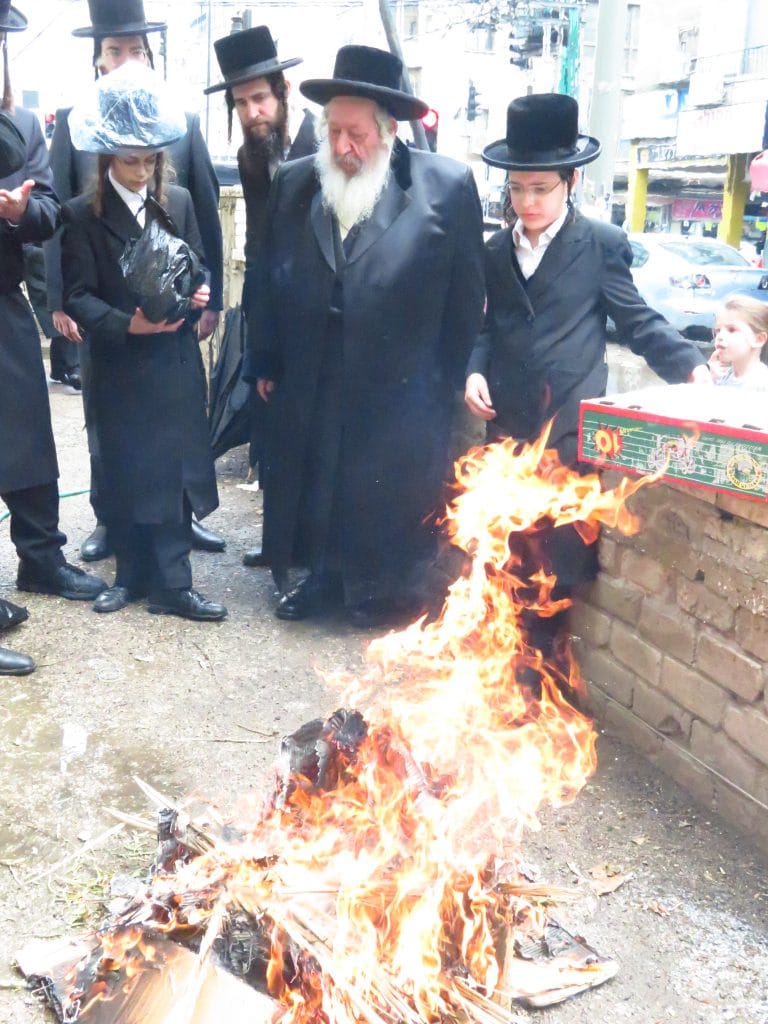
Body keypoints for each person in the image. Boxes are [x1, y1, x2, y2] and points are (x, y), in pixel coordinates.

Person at [243, 44, 485, 627]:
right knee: (319, 477)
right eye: (333, 132)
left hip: (402, 377)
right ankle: (321, 579)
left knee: (385, 488)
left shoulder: (445, 187)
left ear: (388, 129)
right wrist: (265, 358)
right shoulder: (298, 182)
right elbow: (266, 275)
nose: (342, 148)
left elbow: (465, 293)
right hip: (315, 366)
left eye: (356, 134)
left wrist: (448, 378)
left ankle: (380, 590)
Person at [464, 93, 709, 658]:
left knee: (553, 581)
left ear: (569, 182)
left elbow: (637, 321)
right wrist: (474, 371)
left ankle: (543, 698)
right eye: (518, 188)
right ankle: (499, 688)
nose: (528, 201)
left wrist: (691, 366)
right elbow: (487, 329)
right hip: (504, 433)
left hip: (567, 440)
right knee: (501, 563)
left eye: (540, 188)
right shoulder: (495, 251)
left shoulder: (599, 246)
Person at [45, 0, 225, 562]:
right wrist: (58, 302)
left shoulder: (179, 120)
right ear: (98, 59)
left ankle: (181, 515)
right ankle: (110, 520)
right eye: (115, 51)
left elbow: (205, 214)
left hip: (168, 306)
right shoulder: (77, 122)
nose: (126, 60)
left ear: (149, 56)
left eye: (136, 51)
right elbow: (56, 217)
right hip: (105, 300)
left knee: (177, 410)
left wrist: (209, 296)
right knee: (107, 411)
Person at [0, 6, 106, 678]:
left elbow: (48, 214)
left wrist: (18, 210)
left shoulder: (18, 128)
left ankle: (41, 562)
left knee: (28, 438)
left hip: (2, 301)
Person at [206, 24, 316, 570]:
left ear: (283, 93)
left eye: (259, 98)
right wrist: (259, 344)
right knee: (274, 434)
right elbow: (258, 248)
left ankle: (307, 552)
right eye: (241, 102)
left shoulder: (321, 145)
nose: (252, 112)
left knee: (314, 440)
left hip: (321, 321)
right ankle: (280, 546)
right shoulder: (252, 157)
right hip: (275, 313)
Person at [709, 294, 768, 390]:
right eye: (718, 330)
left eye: (732, 330)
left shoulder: (762, 383)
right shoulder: (721, 377)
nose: (720, 336)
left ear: (758, 339)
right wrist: (708, 377)